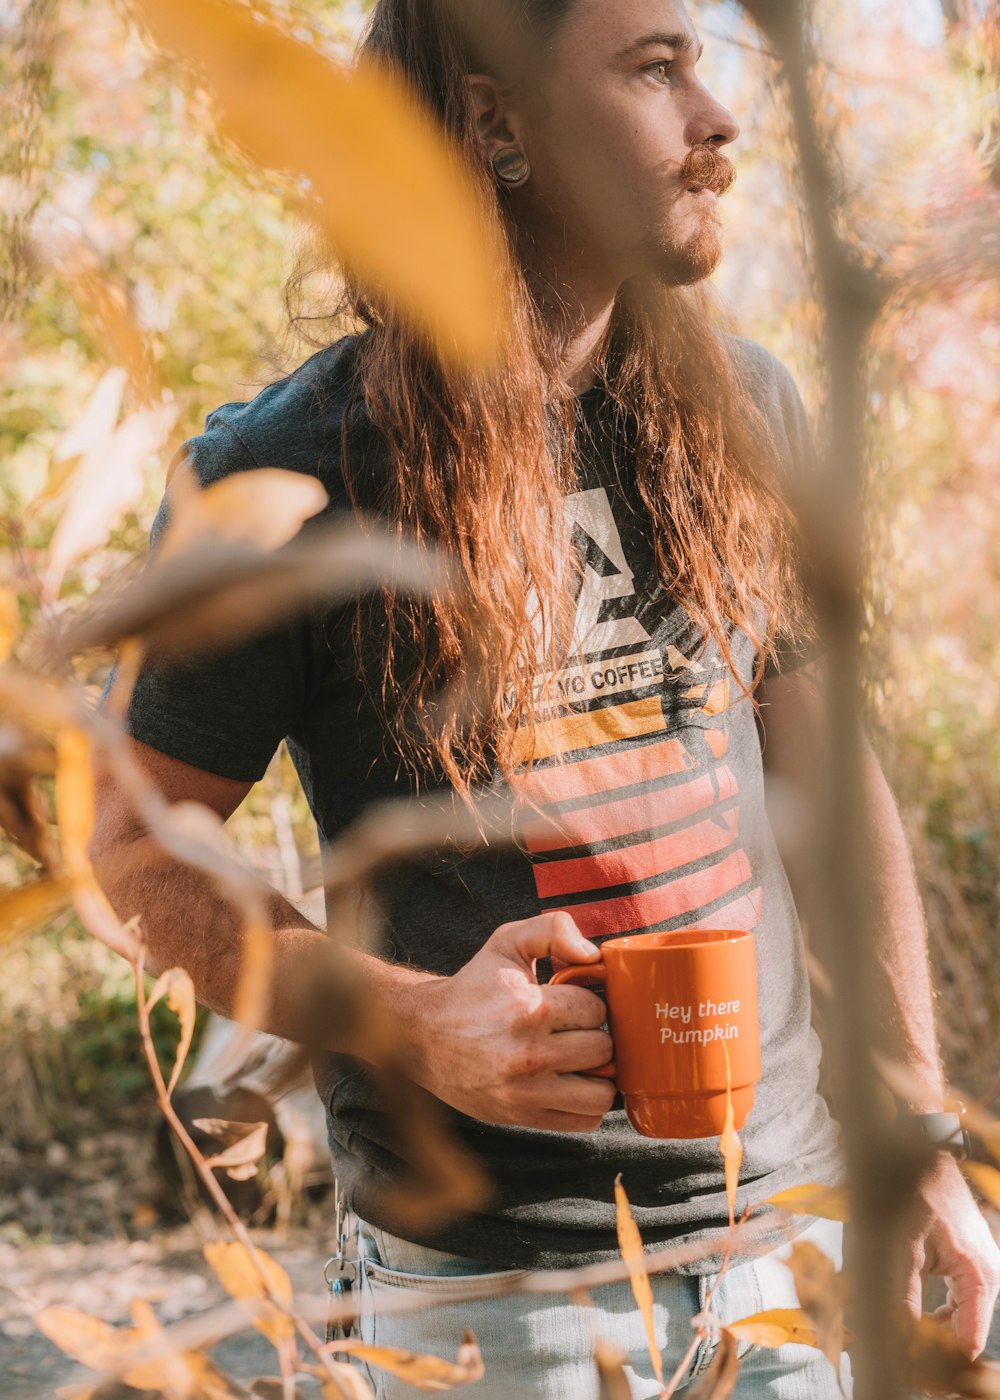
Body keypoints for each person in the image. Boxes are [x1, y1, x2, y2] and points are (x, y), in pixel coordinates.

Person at [92, 0, 1000, 1395]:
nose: (719, 118)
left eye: (705, 58)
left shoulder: (746, 410)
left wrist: (912, 1129)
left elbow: (834, 791)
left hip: (790, 1269)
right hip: (489, 1308)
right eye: (655, 66)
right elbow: (135, 850)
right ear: (496, 121)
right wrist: (416, 1022)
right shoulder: (287, 475)